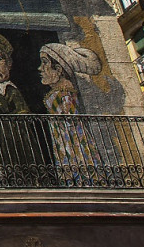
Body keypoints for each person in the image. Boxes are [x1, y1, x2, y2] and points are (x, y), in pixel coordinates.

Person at [0, 29, 49, 186]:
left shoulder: (12, 89)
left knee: (30, 159)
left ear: (9, 64)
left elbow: (23, 110)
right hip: (3, 136)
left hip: (22, 134)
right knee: (9, 160)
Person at [39, 43, 102, 186]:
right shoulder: (62, 90)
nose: (40, 69)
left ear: (59, 69)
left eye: (44, 63)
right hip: (62, 136)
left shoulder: (65, 92)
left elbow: (70, 117)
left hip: (70, 137)